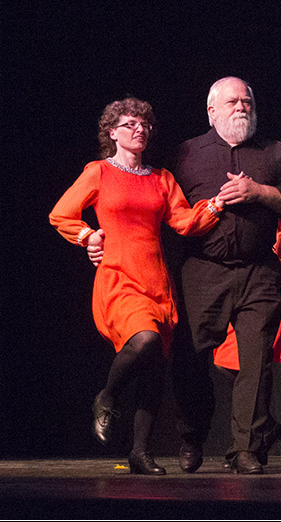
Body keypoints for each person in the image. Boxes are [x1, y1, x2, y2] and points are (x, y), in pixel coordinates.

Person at [49, 98, 224, 475]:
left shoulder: (161, 178)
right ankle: (107, 396)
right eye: (130, 124)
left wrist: (218, 204)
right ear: (112, 132)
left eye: (145, 125)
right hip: (118, 275)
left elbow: (184, 222)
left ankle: (139, 452)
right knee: (144, 340)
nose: (140, 130)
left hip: (156, 279)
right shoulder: (98, 172)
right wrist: (87, 235)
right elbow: (61, 213)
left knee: (155, 367)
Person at [168, 76, 281, 475]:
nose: (242, 107)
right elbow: (163, 205)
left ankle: (245, 447)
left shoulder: (274, 151)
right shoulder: (187, 153)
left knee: (256, 362)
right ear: (212, 111)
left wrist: (259, 192)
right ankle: (191, 436)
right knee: (192, 359)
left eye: (247, 101)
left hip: (258, 270)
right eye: (232, 101)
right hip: (203, 270)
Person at [211, 219, 281, 467]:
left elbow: (279, 250)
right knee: (228, 362)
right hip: (248, 290)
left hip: (275, 290)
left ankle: (250, 441)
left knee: (253, 366)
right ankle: (263, 431)